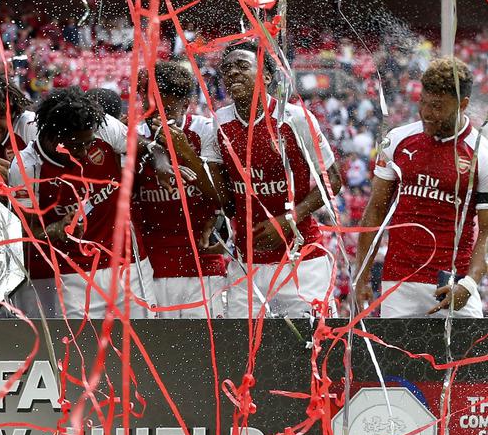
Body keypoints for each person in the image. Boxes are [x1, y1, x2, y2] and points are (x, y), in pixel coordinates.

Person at [211, 40, 344, 318]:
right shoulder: (218, 123)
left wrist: (290, 219)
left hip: (301, 260)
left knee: (312, 349)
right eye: (227, 68)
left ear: (267, 76)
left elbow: (332, 180)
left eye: (242, 66)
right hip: (246, 263)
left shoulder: (295, 119)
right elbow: (223, 195)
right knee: (242, 351)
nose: (232, 72)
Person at [355, 57, 487, 318]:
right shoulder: (397, 140)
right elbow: (375, 213)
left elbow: (487, 230)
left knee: (464, 359)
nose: (427, 113)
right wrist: (362, 275)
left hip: (454, 284)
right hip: (399, 282)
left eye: (437, 106)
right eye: (423, 102)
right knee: (396, 359)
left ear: (463, 105)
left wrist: (469, 284)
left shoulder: (482, 154)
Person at [8, 88, 147, 318]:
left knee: (140, 344)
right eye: (76, 146)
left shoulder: (103, 127)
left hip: (128, 264)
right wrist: (55, 229)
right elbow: (26, 234)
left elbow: (146, 148)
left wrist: (160, 164)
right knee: (82, 349)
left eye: (88, 144)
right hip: (73, 275)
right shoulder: (26, 167)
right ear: (54, 139)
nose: (84, 152)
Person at [131, 62, 227, 318]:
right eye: (149, 107)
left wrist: (184, 150)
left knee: (210, 350)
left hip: (203, 264)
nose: (156, 117)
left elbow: (220, 196)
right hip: (151, 268)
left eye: (166, 108)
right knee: (157, 353)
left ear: (185, 105)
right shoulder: (131, 137)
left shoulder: (205, 131)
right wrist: (155, 154)